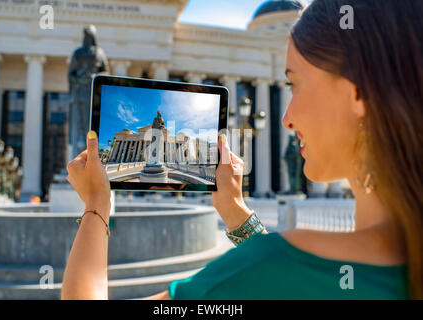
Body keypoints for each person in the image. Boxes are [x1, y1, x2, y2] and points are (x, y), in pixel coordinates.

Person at [61, 0, 422, 300]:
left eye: (293, 85)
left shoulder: (264, 269)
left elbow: (279, 276)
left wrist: (96, 207)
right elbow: (290, 282)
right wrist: (235, 212)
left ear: (356, 91)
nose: (287, 118)